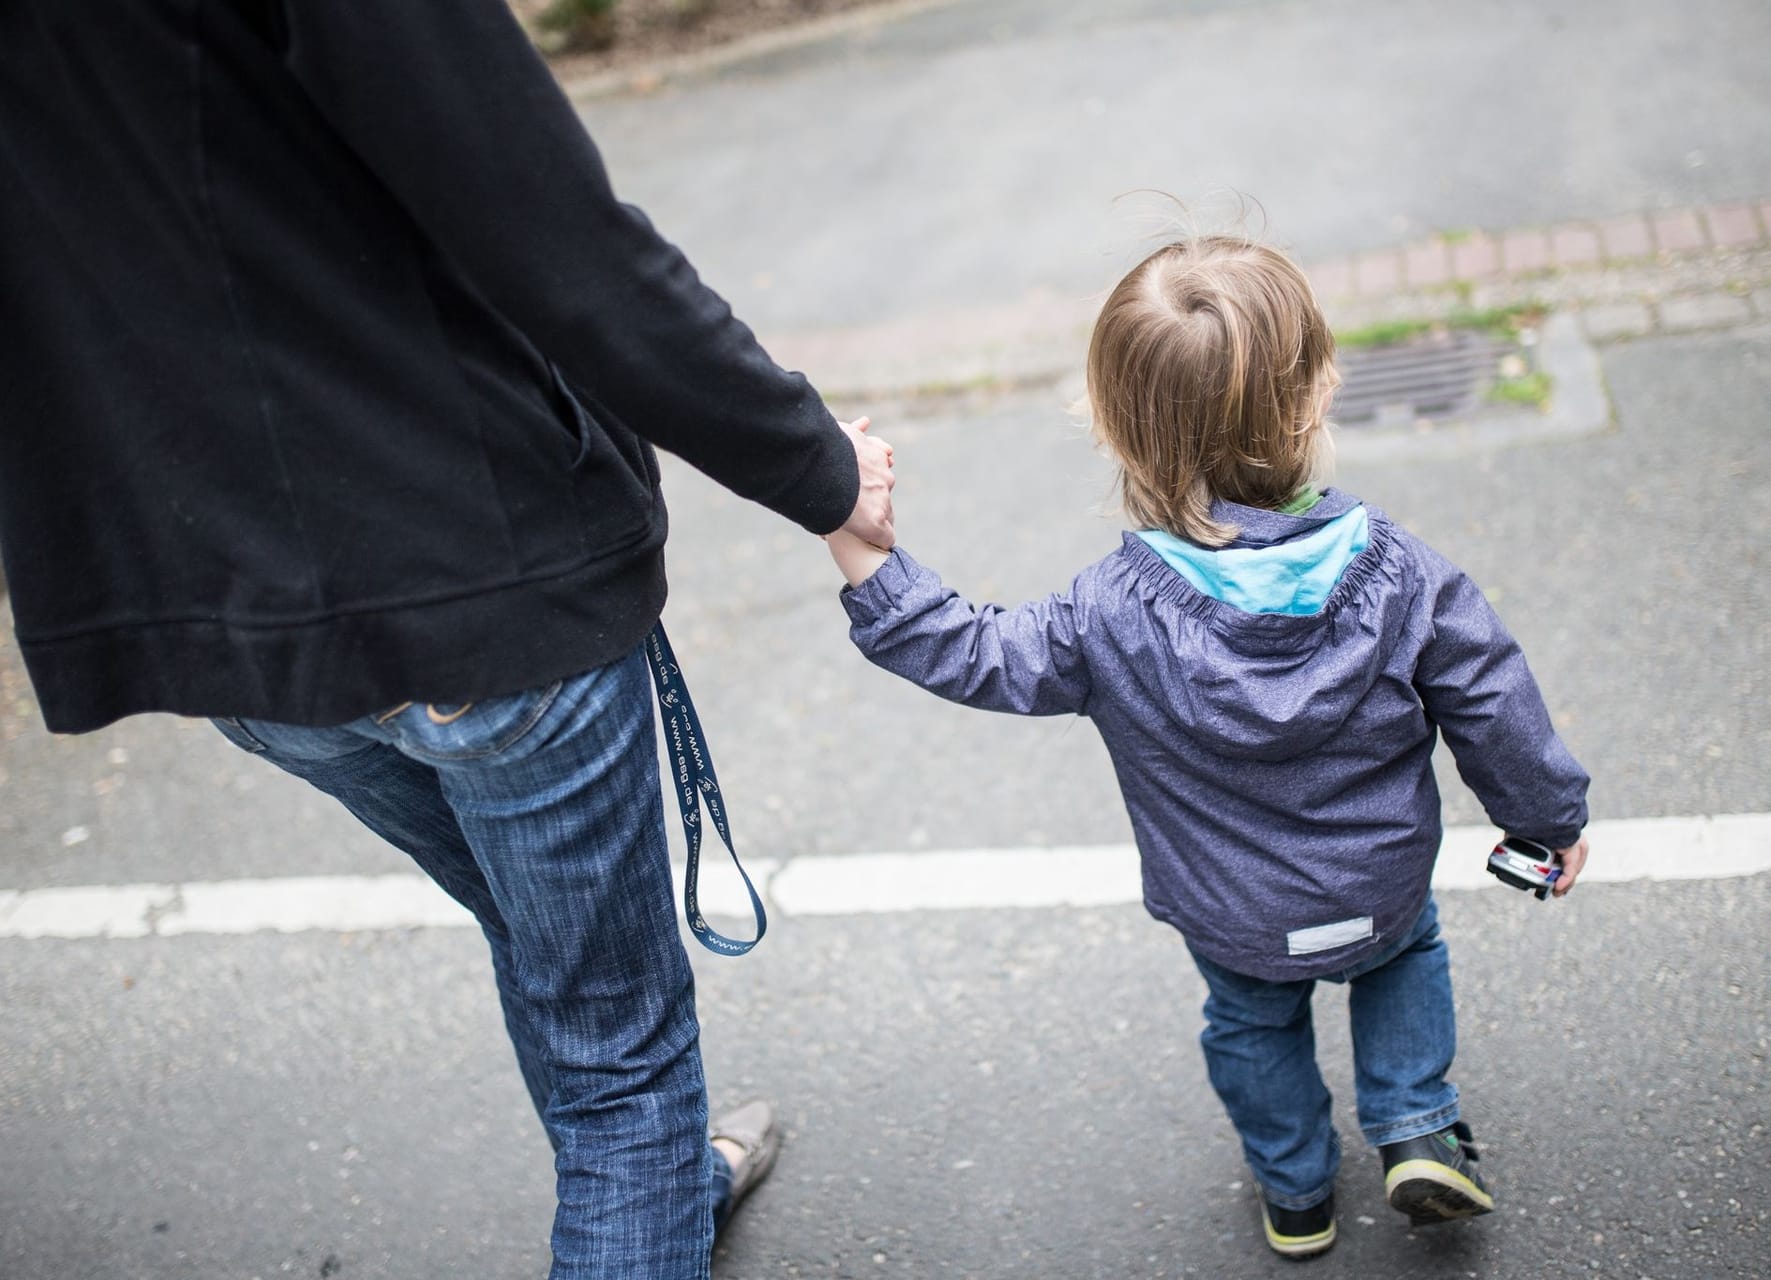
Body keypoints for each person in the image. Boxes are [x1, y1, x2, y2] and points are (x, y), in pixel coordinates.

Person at [0, 3, 893, 1276]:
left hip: (225, 620)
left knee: (554, 958)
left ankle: (656, 1192)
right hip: (476, 572)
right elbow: (558, 238)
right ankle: (642, 1193)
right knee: (619, 1073)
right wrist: (815, 465)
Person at [824, 233, 1590, 1260]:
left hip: (1232, 913)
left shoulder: (1106, 612)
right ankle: (1415, 1120)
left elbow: (974, 650)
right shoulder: (1406, 574)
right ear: (1317, 397)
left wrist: (856, 540)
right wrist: (1547, 822)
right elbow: (1497, 703)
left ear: (1113, 428)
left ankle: (1298, 1191)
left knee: (1252, 1025)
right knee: (1407, 959)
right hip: (1382, 882)